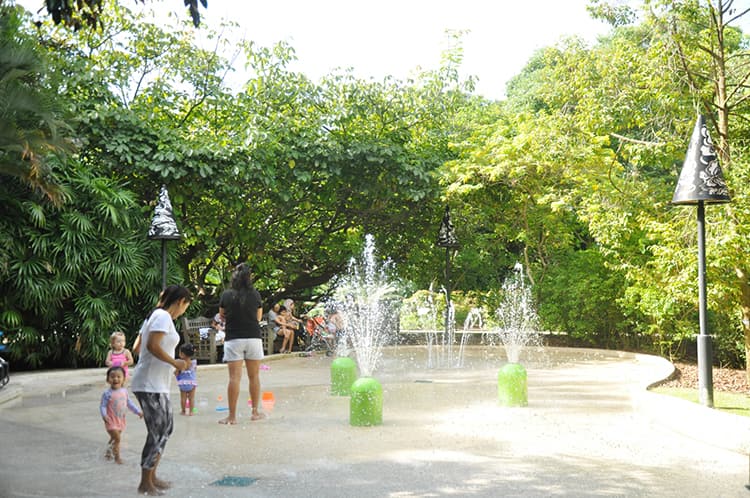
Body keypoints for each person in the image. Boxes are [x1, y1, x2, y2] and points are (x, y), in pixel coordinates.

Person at [130, 285, 192, 495]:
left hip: (157, 383)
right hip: (148, 384)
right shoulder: (162, 317)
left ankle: (152, 475)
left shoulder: (155, 317)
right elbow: (152, 346)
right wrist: (174, 363)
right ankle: (145, 482)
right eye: (186, 306)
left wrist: (168, 365)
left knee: (166, 428)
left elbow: (137, 346)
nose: (184, 310)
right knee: (157, 430)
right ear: (181, 301)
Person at [218, 263, 265, 424]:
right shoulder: (256, 295)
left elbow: (222, 315)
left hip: (233, 339)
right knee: (254, 377)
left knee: (234, 378)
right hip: (253, 337)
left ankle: (232, 417)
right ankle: (255, 412)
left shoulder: (226, 295)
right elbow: (258, 318)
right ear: (249, 277)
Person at [100, 365, 143, 464]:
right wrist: (104, 415)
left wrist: (138, 411)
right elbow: (102, 406)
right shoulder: (107, 393)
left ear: (124, 379)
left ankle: (108, 453)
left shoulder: (124, 391)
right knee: (118, 439)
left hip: (120, 420)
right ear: (107, 379)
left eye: (119, 377)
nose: (115, 379)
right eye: (112, 377)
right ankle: (117, 458)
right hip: (110, 420)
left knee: (114, 438)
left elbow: (129, 403)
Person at [175, 343, 197, 416]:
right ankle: (191, 411)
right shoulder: (193, 362)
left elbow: (176, 373)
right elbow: (194, 371)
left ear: (182, 354)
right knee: (191, 398)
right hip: (191, 382)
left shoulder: (180, 363)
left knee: (183, 398)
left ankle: (183, 411)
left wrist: (176, 373)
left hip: (183, 383)